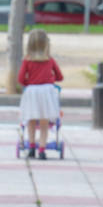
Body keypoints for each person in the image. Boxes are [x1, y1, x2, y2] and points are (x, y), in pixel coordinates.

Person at [17, 28, 63, 159]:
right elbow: (60, 77)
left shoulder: (27, 60)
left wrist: (30, 82)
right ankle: (42, 150)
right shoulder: (50, 60)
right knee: (44, 123)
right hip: (47, 92)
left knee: (31, 120)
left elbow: (20, 79)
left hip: (32, 92)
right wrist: (49, 79)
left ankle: (31, 147)